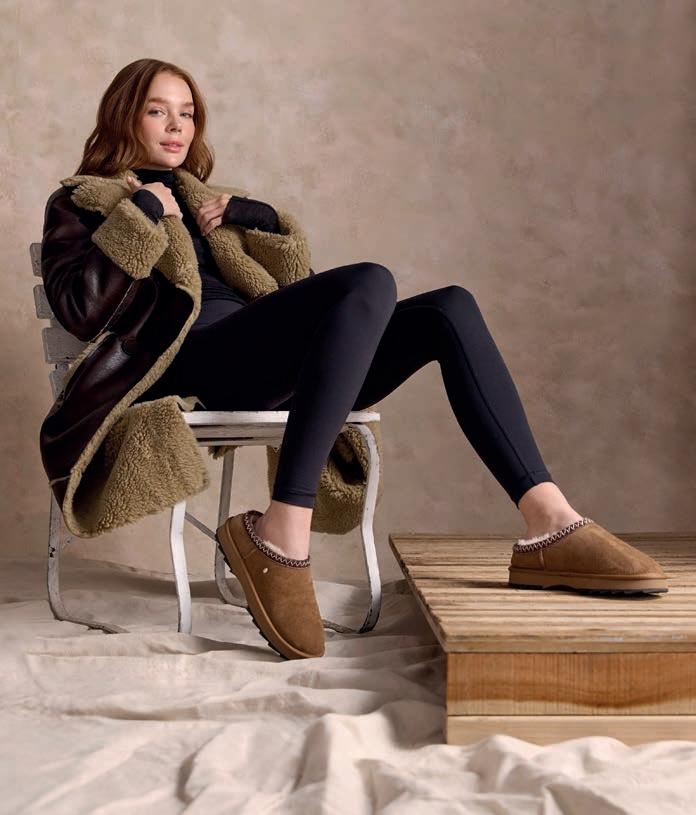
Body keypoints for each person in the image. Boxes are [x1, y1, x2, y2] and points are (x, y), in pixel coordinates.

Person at [40, 59, 667, 661]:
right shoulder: (83, 201)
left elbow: (305, 292)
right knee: (370, 278)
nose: (177, 126)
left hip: (269, 364)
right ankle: (283, 531)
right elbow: (79, 308)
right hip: (192, 364)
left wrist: (258, 219)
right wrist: (145, 211)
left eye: (187, 112)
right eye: (158, 111)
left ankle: (549, 521)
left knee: (449, 308)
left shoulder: (214, 203)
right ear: (125, 116)